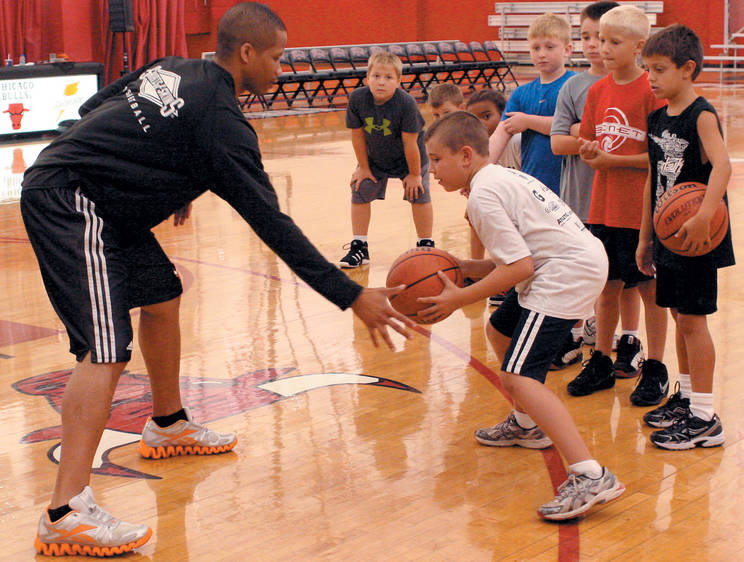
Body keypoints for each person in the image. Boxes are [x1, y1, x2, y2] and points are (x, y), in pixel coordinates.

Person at [21, 3, 411, 556]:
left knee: (163, 294)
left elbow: (95, 104)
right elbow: (271, 223)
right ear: (247, 53)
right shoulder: (223, 122)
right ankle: (65, 512)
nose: (281, 70)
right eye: (275, 58)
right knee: (105, 351)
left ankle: (168, 424)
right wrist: (349, 294)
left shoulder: (175, 66)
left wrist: (161, 175)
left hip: (104, 201)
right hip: (74, 201)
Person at [421, 111, 625, 520]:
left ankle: (590, 474)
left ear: (465, 155)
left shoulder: (483, 193)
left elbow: (519, 269)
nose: (432, 170)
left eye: (436, 159)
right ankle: (526, 423)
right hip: (566, 261)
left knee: (518, 375)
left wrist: (457, 299)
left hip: (565, 272)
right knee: (501, 328)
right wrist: (460, 264)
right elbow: (516, 258)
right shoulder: (497, 176)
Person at [566, 5, 669, 406]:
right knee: (605, 288)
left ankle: (656, 367)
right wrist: (591, 151)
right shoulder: (597, 90)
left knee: (649, 288)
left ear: (639, 46)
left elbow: (661, 157)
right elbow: (589, 142)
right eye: (599, 40)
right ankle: (602, 360)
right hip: (602, 208)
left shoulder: (651, 92)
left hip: (640, 210)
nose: (603, 48)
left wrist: (611, 160)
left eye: (613, 42)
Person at [637, 24, 734, 449]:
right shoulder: (657, 118)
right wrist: (644, 238)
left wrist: (705, 216)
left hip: (698, 237)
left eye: (659, 69)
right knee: (679, 316)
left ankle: (705, 418)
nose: (651, 78)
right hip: (667, 238)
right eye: (647, 70)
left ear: (687, 69)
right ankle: (688, 397)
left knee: (694, 321)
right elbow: (652, 180)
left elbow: (723, 167)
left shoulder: (702, 115)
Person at [549, 1, 631, 371]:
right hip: (580, 200)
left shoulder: (634, 85)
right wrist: (586, 137)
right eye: (585, 36)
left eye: (602, 37)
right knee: (581, 274)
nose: (594, 44)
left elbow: (620, 142)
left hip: (623, 201)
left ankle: (625, 340)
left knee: (624, 281)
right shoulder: (574, 86)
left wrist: (582, 132)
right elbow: (557, 142)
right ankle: (574, 335)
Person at [338, 51, 434, 268]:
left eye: (388, 78)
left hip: (409, 159)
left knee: (418, 192)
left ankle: (426, 245)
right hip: (375, 157)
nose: (381, 82)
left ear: (399, 81)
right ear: (367, 78)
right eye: (376, 76)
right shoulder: (357, 98)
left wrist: (415, 174)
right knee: (359, 188)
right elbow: (357, 135)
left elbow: (411, 143)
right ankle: (359, 247)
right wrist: (363, 167)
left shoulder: (406, 103)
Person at [488, 13, 576, 195]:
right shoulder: (521, 93)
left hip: (570, 184)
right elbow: (500, 135)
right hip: (533, 183)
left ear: (567, 50)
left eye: (550, 47)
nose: (542, 54)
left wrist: (528, 122)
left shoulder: (576, 85)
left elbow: (571, 127)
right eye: (536, 48)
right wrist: (480, 171)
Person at [466, 88, 522, 305]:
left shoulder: (516, 142)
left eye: (486, 116)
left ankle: (511, 282)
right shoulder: (475, 151)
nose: (480, 123)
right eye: (475, 118)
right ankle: (490, 277)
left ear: (503, 116)